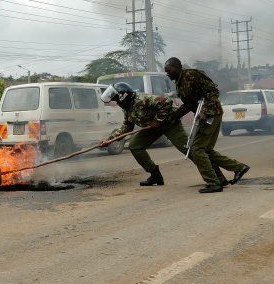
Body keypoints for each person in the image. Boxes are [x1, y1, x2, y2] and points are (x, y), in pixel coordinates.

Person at [99, 82, 216, 193]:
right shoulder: (127, 107)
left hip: (170, 124)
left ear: (123, 97)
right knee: (135, 146)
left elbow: (167, 102)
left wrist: (158, 120)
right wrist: (109, 140)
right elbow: (126, 128)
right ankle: (155, 176)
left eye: (116, 100)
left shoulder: (142, 100)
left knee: (188, 149)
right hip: (153, 128)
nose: (115, 103)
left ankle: (215, 176)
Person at [164, 57, 250, 192]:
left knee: (197, 149)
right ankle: (238, 168)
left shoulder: (191, 75)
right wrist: (173, 117)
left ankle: (213, 183)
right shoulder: (179, 83)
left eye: (169, 70)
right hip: (206, 116)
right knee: (206, 150)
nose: (167, 73)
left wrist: (205, 111)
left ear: (177, 67)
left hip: (211, 114)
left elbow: (213, 91)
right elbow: (189, 104)